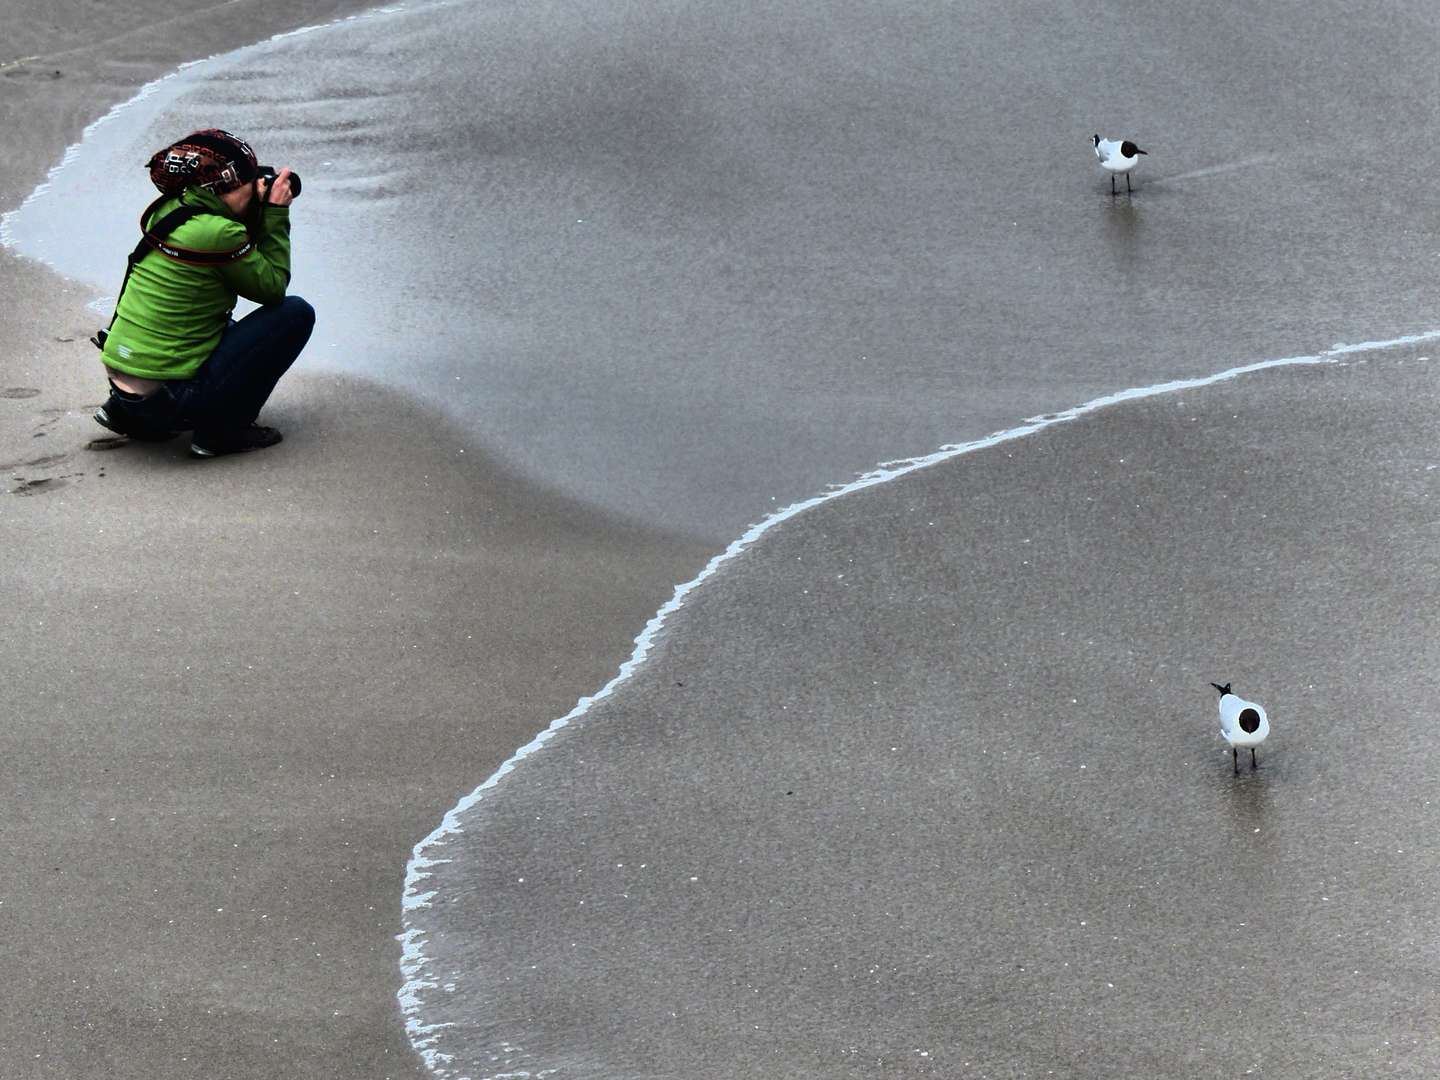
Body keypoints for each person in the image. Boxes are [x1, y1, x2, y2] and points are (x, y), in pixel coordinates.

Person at [93, 129, 314, 457]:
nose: (254, 186)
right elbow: (272, 287)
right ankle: (222, 432)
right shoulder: (219, 232)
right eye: (247, 180)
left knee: (215, 323)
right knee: (295, 314)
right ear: (220, 188)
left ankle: (126, 413)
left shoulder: (169, 209)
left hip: (128, 390)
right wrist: (275, 214)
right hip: (170, 402)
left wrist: (253, 208)